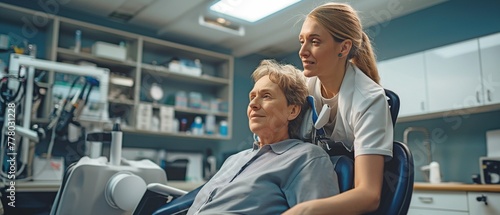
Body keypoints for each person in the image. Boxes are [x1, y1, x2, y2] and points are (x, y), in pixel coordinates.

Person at [186, 59, 339, 215]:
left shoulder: (306, 158)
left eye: (266, 96)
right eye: (252, 97)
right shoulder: (234, 160)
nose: (253, 104)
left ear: (292, 111)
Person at [284, 2, 394, 215]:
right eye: (302, 41)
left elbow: (369, 195)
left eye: (314, 42)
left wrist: (305, 210)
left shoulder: (369, 99)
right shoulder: (303, 87)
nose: (302, 51)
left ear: (343, 48)